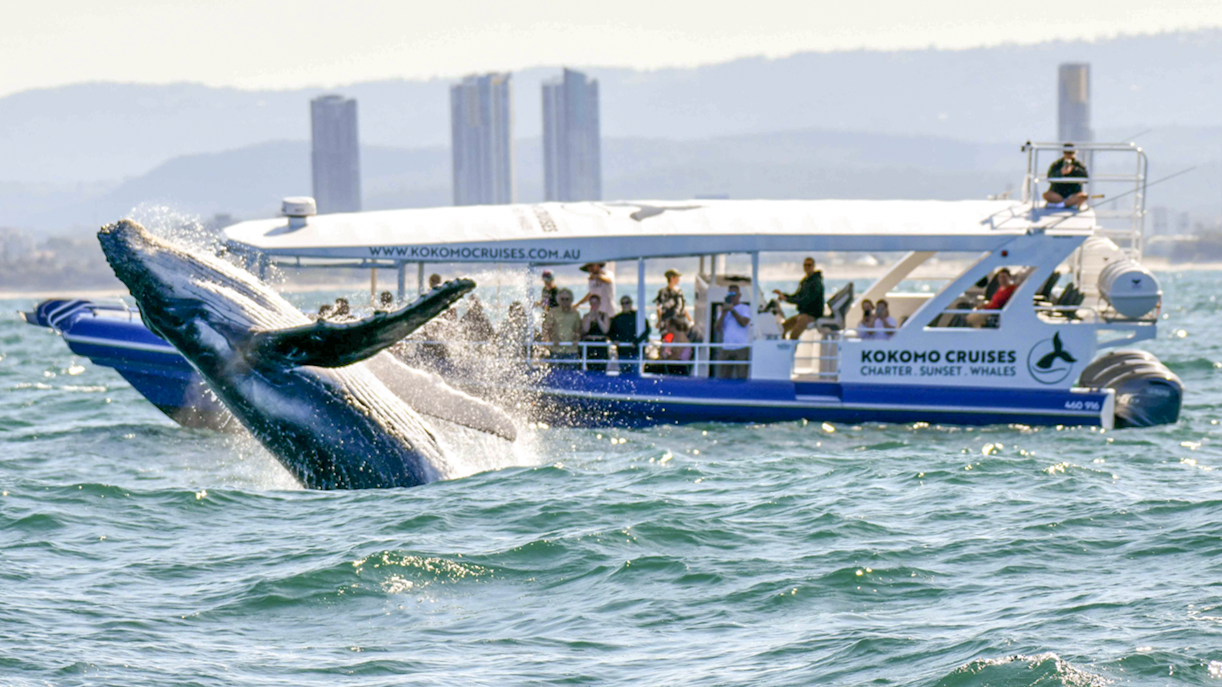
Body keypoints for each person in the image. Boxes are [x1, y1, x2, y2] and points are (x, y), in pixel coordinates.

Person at [773, 256, 825, 339]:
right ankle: (783, 350)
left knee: (793, 335)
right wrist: (784, 296)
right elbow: (798, 295)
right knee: (782, 329)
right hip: (803, 314)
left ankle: (791, 351)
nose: (807, 267)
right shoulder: (805, 281)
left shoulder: (816, 282)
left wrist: (787, 299)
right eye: (805, 265)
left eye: (809, 265)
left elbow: (805, 300)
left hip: (811, 315)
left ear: (813, 266)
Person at [715, 285, 751, 379]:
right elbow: (717, 328)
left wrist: (733, 310)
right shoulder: (723, 311)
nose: (732, 296)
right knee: (724, 376)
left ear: (739, 295)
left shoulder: (744, 308)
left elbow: (743, 323)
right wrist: (723, 314)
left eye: (734, 294)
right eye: (730, 294)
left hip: (741, 346)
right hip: (727, 347)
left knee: (741, 375)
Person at [609, 295, 650, 375]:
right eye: (623, 303)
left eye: (627, 303)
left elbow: (647, 330)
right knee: (623, 375)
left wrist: (636, 342)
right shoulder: (617, 318)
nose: (625, 305)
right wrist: (614, 340)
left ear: (631, 303)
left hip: (636, 351)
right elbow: (611, 332)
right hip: (622, 352)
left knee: (636, 374)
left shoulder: (638, 316)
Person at [1043, 143, 1090, 209]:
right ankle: (1064, 203)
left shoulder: (1079, 165)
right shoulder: (1057, 164)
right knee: (1046, 195)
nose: (1068, 155)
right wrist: (1060, 173)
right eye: (1066, 153)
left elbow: (1086, 178)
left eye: (1071, 153)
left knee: (1084, 196)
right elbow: (1049, 178)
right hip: (1058, 194)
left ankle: (1062, 204)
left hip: (1073, 194)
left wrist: (1074, 170)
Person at [542, 288, 582, 363]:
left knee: (572, 373)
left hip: (571, 349)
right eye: (562, 299)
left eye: (567, 299)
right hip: (556, 349)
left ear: (571, 300)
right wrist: (552, 338)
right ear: (559, 300)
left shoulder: (575, 313)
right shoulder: (553, 312)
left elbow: (578, 328)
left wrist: (576, 338)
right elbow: (547, 327)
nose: (565, 302)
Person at [580, 294, 612, 372]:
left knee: (602, 366)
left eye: (596, 303)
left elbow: (605, 330)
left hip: (601, 344)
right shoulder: (586, 316)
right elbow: (586, 329)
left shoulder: (604, 316)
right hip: (590, 343)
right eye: (592, 303)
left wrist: (598, 318)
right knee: (590, 366)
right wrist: (590, 316)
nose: (594, 305)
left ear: (599, 303)